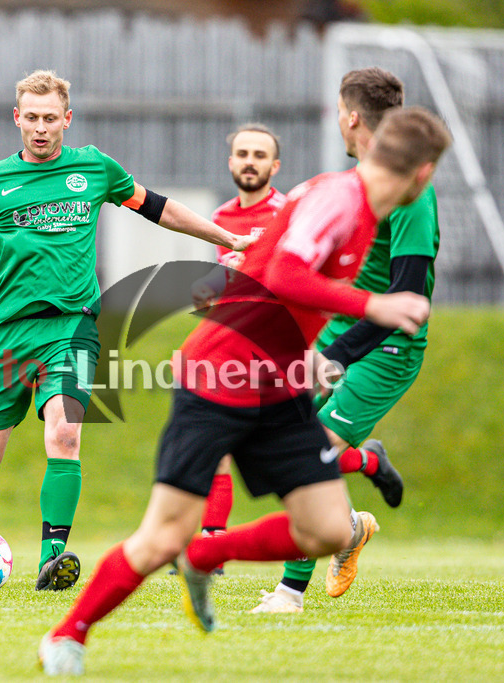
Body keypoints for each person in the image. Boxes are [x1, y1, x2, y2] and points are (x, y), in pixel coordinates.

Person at [38, 106, 452, 675]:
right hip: (218, 380)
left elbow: (263, 267)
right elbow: (284, 275)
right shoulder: (342, 201)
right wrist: (372, 304)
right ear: (424, 174)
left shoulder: (349, 204)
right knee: (160, 537)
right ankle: (68, 634)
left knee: (328, 529)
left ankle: (206, 555)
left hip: (278, 389)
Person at [0, 70, 254, 593]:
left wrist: (224, 235)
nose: (39, 128)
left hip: (73, 327)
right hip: (7, 332)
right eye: (30, 118)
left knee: (65, 431)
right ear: (17, 118)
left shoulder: (94, 168)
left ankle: (53, 558)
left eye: (49, 118)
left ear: (66, 119)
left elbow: (159, 208)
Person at [250, 66, 441, 614]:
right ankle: (351, 524)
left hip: (387, 352)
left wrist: (331, 356)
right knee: (281, 443)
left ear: (352, 116)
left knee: (310, 454)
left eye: (338, 110)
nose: (338, 119)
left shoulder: (412, 194)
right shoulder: (352, 183)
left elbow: (403, 300)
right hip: (338, 337)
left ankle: (289, 593)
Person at [187, 123, 287, 564]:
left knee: (286, 453)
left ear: (274, 165)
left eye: (259, 155)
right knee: (217, 442)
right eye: (242, 153)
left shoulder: (289, 213)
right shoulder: (222, 218)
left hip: (281, 349)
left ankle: (366, 462)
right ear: (231, 162)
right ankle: (212, 539)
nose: (250, 161)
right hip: (232, 349)